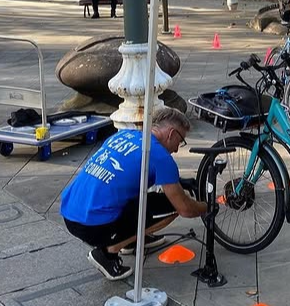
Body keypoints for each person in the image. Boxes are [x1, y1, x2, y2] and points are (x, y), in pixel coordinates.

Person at [60, 107, 207, 281]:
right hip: (92, 226)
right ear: (171, 134)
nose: (176, 149)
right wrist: (207, 206)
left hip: (70, 212)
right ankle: (107, 253)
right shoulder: (161, 157)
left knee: (139, 196)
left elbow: (126, 175)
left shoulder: (124, 135)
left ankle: (131, 241)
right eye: (180, 141)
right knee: (171, 206)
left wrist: (179, 182)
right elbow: (185, 209)